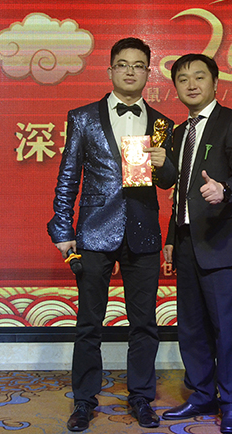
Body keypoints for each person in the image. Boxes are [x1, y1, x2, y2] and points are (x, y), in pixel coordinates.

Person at [47, 37, 177, 432]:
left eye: (138, 65)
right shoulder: (83, 117)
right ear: (110, 70)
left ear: (148, 72)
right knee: (89, 324)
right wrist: (62, 227)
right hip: (94, 231)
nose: (130, 71)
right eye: (123, 64)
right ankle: (84, 401)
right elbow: (69, 175)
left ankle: (141, 397)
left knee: (144, 324)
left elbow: (168, 182)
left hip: (143, 231)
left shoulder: (162, 124)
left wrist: (163, 164)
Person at [161, 54, 232, 434]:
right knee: (192, 327)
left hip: (221, 241)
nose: (191, 84)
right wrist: (172, 237)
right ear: (176, 87)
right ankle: (202, 394)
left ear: (215, 82)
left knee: (228, 328)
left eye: (199, 77)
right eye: (183, 79)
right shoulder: (178, 133)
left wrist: (225, 189)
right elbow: (178, 192)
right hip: (186, 241)